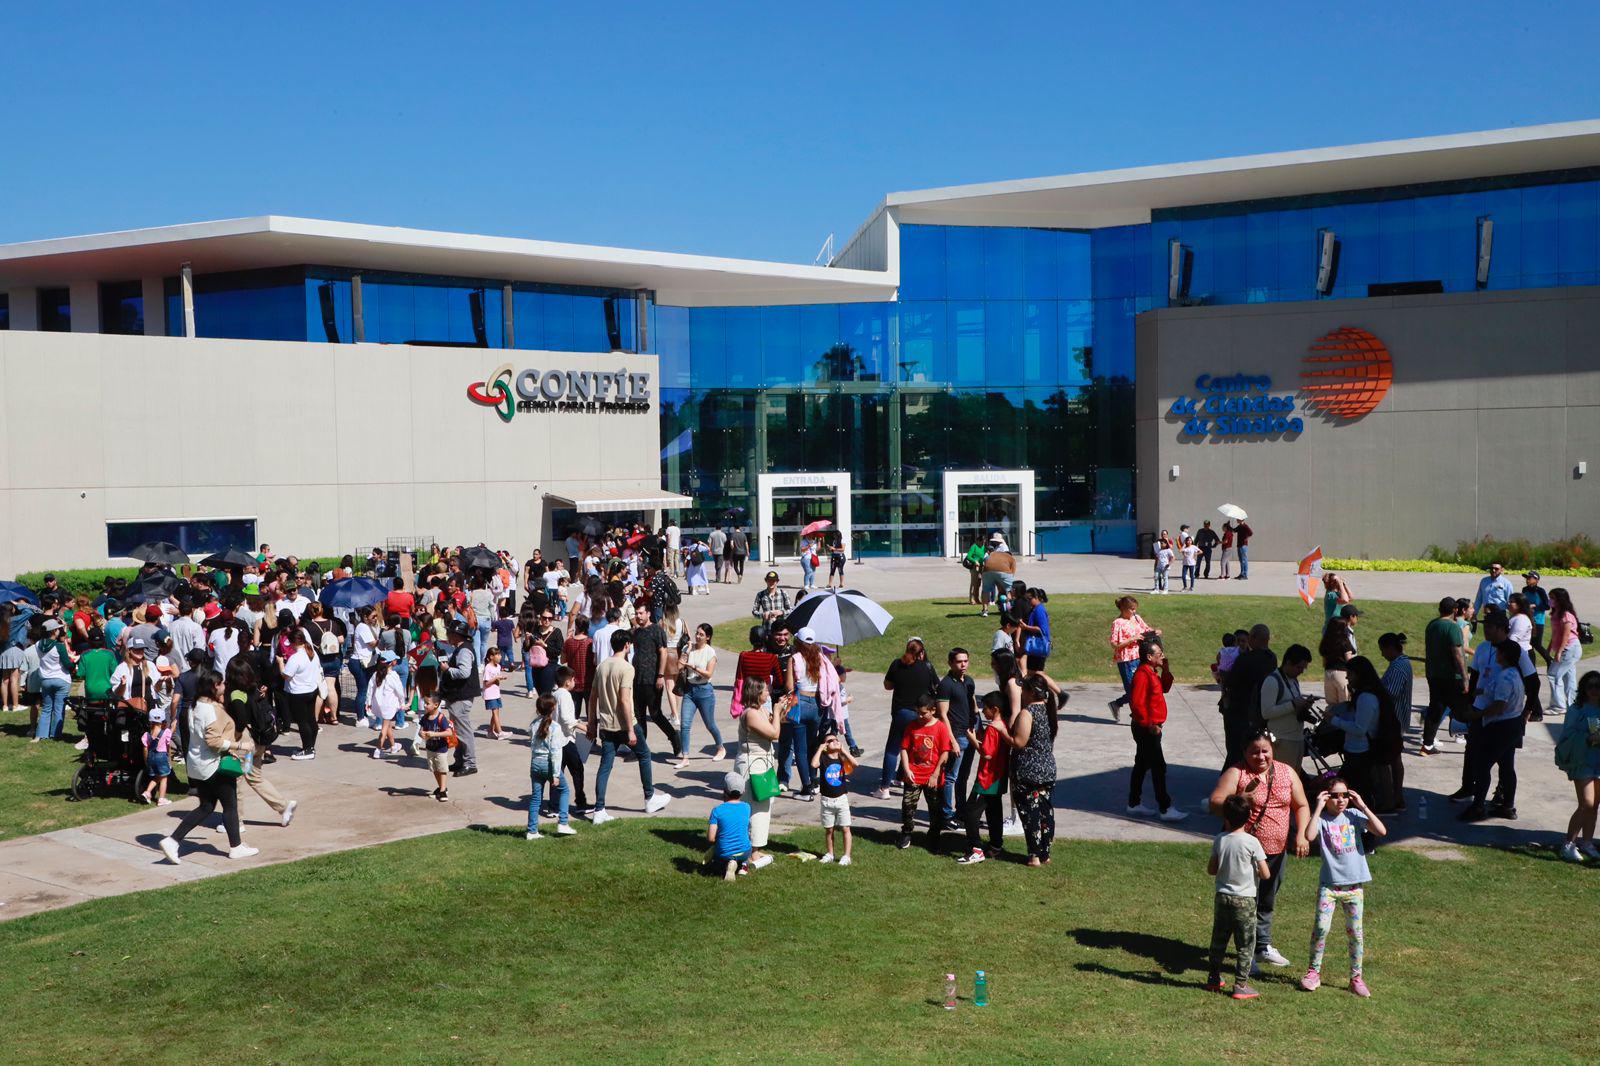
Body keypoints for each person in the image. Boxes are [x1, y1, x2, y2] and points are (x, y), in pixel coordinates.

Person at [1209, 732, 1312, 974]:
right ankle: (1246, 952)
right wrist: (1239, 799)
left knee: (1266, 899)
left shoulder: (1286, 772)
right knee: (1245, 902)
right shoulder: (1237, 773)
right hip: (1244, 852)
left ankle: (1262, 946)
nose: (1261, 756)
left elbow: (1302, 805)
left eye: (1265, 750)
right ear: (1245, 752)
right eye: (1255, 751)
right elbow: (1215, 802)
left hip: (1276, 850)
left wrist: (1301, 835)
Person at [157, 668, 257, 864]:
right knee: (230, 806)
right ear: (214, 687)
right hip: (214, 766)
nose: (224, 686)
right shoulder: (210, 710)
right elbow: (214, 742)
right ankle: (235, 847)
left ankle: (172, 840)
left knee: (206, 806)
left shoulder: (194, 706)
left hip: (198, 765)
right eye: (221, 683)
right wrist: (240, 745)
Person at [1297, 779, 1386, 997]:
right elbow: (1309, 836)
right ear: (1326, 797)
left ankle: (1356, 978)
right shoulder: (1323, 819)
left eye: (1344, 795)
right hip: (1330, 887)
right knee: (1321, 929)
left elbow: (1381, 831)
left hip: (1354, 888)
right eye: (1335, 796)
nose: (1341, 800)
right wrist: (1317, 807)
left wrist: (1362, 805)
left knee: (1356, 934)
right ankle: (1313, 973)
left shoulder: (1354, 816)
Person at [589, 629, 672, 823]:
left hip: (606, 726)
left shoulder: (602, 666)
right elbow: (625, 700)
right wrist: (630, 730)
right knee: (644, 755)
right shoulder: (627, 668)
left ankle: (599, 809)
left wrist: (592, 722)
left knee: (605, 766)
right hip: (624, 724)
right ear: (627, 646)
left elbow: (593, 697)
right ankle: (649, 797)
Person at [1205, 794, 1270, 1000]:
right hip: (1245, 900)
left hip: (1222, 897)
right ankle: (1241, 985)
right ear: (1250, 816)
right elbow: (1266, 873)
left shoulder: (1220, 839)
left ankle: (1213, 978)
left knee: (1219, 940)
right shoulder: (1252, 842)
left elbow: (1212, 869)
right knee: (1245, 944)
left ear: (1225, 817)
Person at [1457, 640, 1526, 822]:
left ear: (1504, 655)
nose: (1496, 654)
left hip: (1502, 727)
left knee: (1482, 765)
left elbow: (1499, 707)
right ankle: (1507, 807)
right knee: (1506, 767)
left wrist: (1476, 716)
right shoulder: (1513, 673)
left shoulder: (1505, 677)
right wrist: (1479, 692)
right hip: (1513, 725)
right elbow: (1495, 693)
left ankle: (1478, 806)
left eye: (1499, 651)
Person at [1127, 638, 1187, 821]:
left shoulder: (1151, 672)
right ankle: (1165, 808)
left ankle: (1133, 803)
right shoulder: (1142, 675)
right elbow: (1136, 704)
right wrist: (1150, 725)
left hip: (1150, 727)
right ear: (1149, 656)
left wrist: (1165, 669)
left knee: (1142, 765)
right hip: (1147, 729)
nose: (1163, 656)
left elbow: (1165, 688)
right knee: (1158, 767)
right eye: (1159, 654)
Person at [876, 637, 939, 798]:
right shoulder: (927, 667)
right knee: (911, 748)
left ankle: (884, 788)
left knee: (892, 749)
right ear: (922, 652)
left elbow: (887, 685)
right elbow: (936, 686)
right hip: (920, 713)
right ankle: (904, 778)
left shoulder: (897, 664)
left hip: (901, 712)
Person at [896, 694, 956, 853]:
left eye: (924, 713)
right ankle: (907, 832)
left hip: (932, 777)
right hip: (913, 774)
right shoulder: (912, 726)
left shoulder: (941, 728)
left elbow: (945, 753)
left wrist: (935, 775)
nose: (920, 716)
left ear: (933, 710)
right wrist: (906, 769)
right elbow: (904, 749)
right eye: (918, 713)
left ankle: (934, 837)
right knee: (908, 805)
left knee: (935, 810)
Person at [957, 692, 1012, 865]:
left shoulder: (992, 728)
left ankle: (975, 849)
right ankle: (996, 845)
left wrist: (972, 740)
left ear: (995, 709)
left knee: (970, 813)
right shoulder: (1002, 725)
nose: (983, 711)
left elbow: (987, 754)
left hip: (986, 779)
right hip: (998, 777)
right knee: (994, 811)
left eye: (985, 708)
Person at [1328, 657, 1392, 804]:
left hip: (1360, 752)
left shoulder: (1366, 697)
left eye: (1349, 674)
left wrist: (1333, 720)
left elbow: (1359, 729)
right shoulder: (1364, 695)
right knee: (1354, 790)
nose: (1347, 678)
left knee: (1354, 791)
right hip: (1356, 750)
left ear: (1359, 674)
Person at [1011, 673, 1059, 867]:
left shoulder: (1027, 712)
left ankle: (1034, 855)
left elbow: (1019, 742)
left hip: (1029, 770)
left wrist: (1001, 731)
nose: (1021, 693)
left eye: (1024, 689)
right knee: (1045, 811)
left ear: (1030, 692)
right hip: (1047, 768)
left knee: (1030, 813)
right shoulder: (1049, 710)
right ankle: (1045, 853)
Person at [736, 677, 781, 870]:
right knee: (755, 807)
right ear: (756, 693)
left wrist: (781, 711)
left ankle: (755, 848)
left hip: (763, 763)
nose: (769, 693)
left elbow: (775, 725)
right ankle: (752, 852)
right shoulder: (751, 714)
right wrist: (777, 713)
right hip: (751, 765)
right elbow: (774, 734)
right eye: (765, 691)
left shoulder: (761, 710)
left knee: (764, 806)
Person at [1556, 671, 1600, 863]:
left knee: (1595, 805)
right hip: (1582, 761)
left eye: (1598, 686)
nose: (1594, 690)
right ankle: (1568, 843)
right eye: (1590, 686)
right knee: (1586, 803)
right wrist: (1587, 738)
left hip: (1599, 762)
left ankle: (1587, 842)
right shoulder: (1577, 710)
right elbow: (1566, 736)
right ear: (1583, 688)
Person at [1222, 625, 1277, 768]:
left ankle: (1228, 783)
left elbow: (1230, 682)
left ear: (1252, 638)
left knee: (1235, 751)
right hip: (1259, 712)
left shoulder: (1245, 659)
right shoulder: (1272, 658)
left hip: (1240, 709)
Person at [1420, 597, 1470, 755]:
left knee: (1436, 708)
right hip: (1451, 676)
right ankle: (1476, 743)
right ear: (1455, 610)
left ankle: (1427, 745)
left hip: (1433, 674)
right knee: (1463, 709)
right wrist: (1465, 677)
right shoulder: (1453, 627)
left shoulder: (1431, 625)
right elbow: (1458, 654)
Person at [526, 693, 577, 840]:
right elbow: (555, 752)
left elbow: (530, 736)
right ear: (553, 708)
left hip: (535, 763)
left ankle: (532, 831)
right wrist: (555, 774)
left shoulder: (534, 724)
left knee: (536, 798)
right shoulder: (555, 728)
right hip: (548, 764)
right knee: (564, 790)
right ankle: (563, 823)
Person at [936, 647, 978, 824]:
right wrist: (952, 740)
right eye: (959, 661)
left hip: (969, 733)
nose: (963, 664)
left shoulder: (968, 681)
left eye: (965, 661)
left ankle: (961, 811)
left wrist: (976, 726)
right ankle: (947, 815)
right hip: (956, 735)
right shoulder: (946, 684)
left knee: (964, 776)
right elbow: (942, 714)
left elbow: (973, 704)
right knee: (950, 776)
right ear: (950, 663)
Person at [1258, 644, 1316, 769]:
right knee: (1282, 782)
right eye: (1299, 667)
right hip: (1282, 740)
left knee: (1294, 780)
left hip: (1297, 738)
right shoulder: (1272, 681)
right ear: (1288, 662)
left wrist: (1305, 705)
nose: (1301, 671)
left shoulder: (1294, 680)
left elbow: (1293, 706)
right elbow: (1266, 712)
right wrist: (1293, 704)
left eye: (1304, 668)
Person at [676, 623, 724, 767]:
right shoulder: (688, 649)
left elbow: (709, 673)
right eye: (697, 633)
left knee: (710, 724)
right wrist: (687, 652)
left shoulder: (710, 652)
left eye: (701, 634)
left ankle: (720, 747)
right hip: (689, 691)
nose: (697, 636)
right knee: (685, 725)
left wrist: (693, 667)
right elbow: (679, 667)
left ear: (708, 637)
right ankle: (685, 757)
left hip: (705, 691)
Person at [438, 622, 480, 778]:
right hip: (457, 695)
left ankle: (470, 763)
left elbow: (464, 672)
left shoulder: (464, 650)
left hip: (461, 696)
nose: (447, 636)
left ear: (456, 635)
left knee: (464, 731)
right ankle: (460, 760)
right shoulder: (461, 649)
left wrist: (447, 669)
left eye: (449, 633)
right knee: (458, 731)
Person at [1376, 632, 1413, 810]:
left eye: (1383, 650)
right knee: (1394, 759)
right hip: (1397, 719)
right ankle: (1397, 797)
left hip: (1394, 720)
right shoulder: (1401, 663)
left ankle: (1396, 797)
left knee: (1393, 760)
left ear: (1391, 648)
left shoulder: (1398, 667)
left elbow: (1392, 693)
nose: (1382, 655)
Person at [1107, 596, 1159, 723]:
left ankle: (1117, 704)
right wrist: (1131, 639)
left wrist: (1154, 631)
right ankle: (1138, 717)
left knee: (1141, 688)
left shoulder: (1136, 618)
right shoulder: (1118, 623)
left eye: (1135, 609)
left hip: (1140, 657)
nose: (1134, 612)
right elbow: (1114, 644)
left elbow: (1146, 629)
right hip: (1126, 660)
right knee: (1133, 691)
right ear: (1124, 609)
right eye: (1132, 609)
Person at [277, 626, 322, 761]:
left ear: (293, 643)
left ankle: (307, 749)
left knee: (303, 722)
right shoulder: (312, 653)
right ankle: (310, 747)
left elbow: (286, 675)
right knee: (311, 719)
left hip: (298, 693)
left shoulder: (295, 658)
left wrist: (280, 663)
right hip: (311, 690)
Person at [810, 732, 855, 865]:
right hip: (826, 801)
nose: (835, 741)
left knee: (846, 828)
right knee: (829, 829)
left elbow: (855, 764)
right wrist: (820, 748)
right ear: (825, 745)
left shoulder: (841, 758)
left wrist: (843, 750)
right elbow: (813, 764)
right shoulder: (823, 758)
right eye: (830, 740)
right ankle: (830, 853)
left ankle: (847, 856)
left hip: (841, 799)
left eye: (836, 739)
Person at [32, 618, 75, 741]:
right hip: (61, 678)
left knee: (46, 708)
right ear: (54, 631)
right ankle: (55, 734)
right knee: (58, 708)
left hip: (46, 679)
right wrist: (74, 665)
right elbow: (67, 664)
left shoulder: (37, 644)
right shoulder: (59, 646)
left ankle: (40, 735)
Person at [706, 772, 753, 880]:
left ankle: (728, 863)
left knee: (717, 857)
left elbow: (711, 838)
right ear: (743, 791)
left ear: (724, 790)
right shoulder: (747, 807)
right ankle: (743, 866)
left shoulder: (717, 810)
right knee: (747, 841)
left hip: (724, 852)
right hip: (744, 851)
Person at [1547, 587, 1582, 718]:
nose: (1550, 601)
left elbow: (1566, 635)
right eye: (1549, 597)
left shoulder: (1566, 615)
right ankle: (1572, 705)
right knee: (1569, 678)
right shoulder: (1555, 614)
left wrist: (1559, 652)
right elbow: (1556, 633)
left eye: (1553, 598)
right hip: (1566, 649)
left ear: (1560, 600)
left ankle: (1558, 706)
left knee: (1553, 674)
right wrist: (1550, 647)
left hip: (1570, 648)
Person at [367, 650, 407, 758]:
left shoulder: (376, 674)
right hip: (388, 705)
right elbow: (400, 691)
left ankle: (393, 746)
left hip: (378, 704)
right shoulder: (393, 676)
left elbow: (370, 688)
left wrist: (369, 702)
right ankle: (378, 750)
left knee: (387, 723)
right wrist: (402, 703)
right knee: (384, 726)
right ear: (392, 662)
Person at [1320, 608, 1359, 709]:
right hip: (1342, 674)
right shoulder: (1345, 642)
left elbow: (1324, 662)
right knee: (1345, 706)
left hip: (1328, 674)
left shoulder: (1325, 642)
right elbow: (1350, 661)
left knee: (1331, 706)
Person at [418, 696, 453, 801]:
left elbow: (449, 732)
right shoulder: (425, 718)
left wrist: (434, 734)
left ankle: (443, 791)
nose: (425, 705)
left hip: (441, 749)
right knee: (434, 769)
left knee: (442, 769)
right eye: (425, 703)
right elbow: (421, 730)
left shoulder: (441, 718)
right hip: (430, 748)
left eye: (427, 703)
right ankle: (441, 788)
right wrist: (422, 734)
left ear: (436, 705)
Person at [139, 708, 176, 805]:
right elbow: (168, 746)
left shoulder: (146, 735)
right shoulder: (166, 732)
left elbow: (145, 749)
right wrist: (169, 759)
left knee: (157, 777)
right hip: (161, 757)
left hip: (151, 757)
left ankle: (147, 792)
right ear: (163, 720)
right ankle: (161, 799)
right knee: (164, 778)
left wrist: (146, 760)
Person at [1018, 588, 1053, 673]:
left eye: (1030, 599)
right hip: (1034, 646)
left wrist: (1026, 627)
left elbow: (1041, 629)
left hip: (1038, 645)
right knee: (1032, 672)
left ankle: (1054, 687)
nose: (1028, 601)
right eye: (1027, 599)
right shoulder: (1034, 609)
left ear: (1036, 597)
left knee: (1037, 673)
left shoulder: (1039, 610)